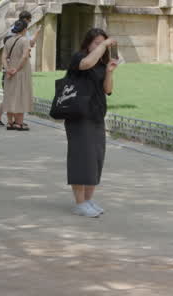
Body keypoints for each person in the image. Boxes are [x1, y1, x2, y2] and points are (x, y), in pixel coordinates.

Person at [65, 28, 120, 218]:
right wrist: (105, 44)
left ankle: (88, 200)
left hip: (96, 115)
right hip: (79, 116)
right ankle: (79, 203)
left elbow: (107, 89)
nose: (101, 46)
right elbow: (86, 63)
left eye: (102, 43)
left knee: (96, 159)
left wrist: (109, 71)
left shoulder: (101, 64)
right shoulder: (79, 58)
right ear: (88, 43)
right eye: (96, 43)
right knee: (81, 158)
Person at [0, 10, 36, 128]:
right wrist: (17, 69)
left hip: (9, 72)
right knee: (21, 96)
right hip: (21, 71)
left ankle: (10, 122)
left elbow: (3, 56)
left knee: (10, 95)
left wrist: (8, 69)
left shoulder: (9, 40)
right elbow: (24, 56)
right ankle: (19, 122)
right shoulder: (24, 40)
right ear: (24, 29)